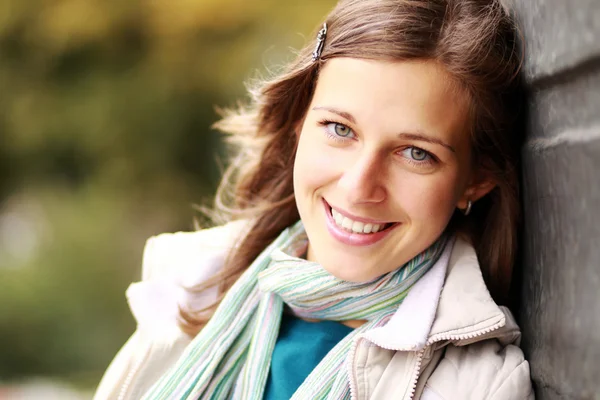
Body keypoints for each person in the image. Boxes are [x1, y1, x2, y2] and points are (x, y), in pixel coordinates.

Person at [94, 0, 534, 398]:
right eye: (340, 129)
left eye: (416, 153)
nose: (359, 187)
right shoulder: (189, 288)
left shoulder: (479, 388)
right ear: (299, 123)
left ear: (475, 180)